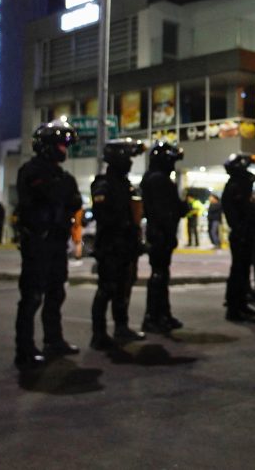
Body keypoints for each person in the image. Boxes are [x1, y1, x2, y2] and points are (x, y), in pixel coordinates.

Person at [14, 121, 82, 367]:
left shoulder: (62, 175)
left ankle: (53, 339)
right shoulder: (30, 171)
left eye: (65, 145)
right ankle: (24, 349)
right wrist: (61, 194)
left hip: (56, 242)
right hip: (37, 242)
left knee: (56, 292)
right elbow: (49, 197)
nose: (64, 150)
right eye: (60, 145)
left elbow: (73, 201)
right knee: (32, 297)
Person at [90, 138, 147, 350]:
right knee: (107, 289)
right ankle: (98, 334)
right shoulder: (104, 184)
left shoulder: (125, 185)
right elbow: (103, 215)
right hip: (111, 247)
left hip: (126, 247)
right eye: (127, 157)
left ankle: (121, 327)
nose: (130, 162)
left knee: (124, 289)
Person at [141, 140, 188, 334]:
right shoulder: (157, 179)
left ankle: (162, 314)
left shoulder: (156, 178)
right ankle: (154, 317)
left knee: (161, 275)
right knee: (159, 276)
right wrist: (180, 209)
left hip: (162, 233)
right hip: (160, 234)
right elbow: (164, 210)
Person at [222, 152, 255, 322]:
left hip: (245, 234)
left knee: (243, 270)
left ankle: (241, 303)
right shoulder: (234, 187)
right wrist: (243, 229)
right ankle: (234, 307)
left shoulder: (240, 186)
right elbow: (238, 213)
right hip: (240, 235)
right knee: (238, 271)